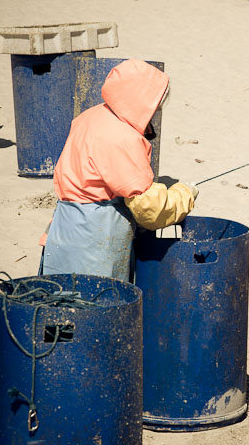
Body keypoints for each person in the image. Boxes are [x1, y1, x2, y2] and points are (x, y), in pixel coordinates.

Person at [40, 59, 198, 281]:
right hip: (93, 241)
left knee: (59, 301)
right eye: (154, 107)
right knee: (96, 306)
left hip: (65, 229)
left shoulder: (92, 115)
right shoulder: (122, 137)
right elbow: (148, 208)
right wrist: (185, 194)